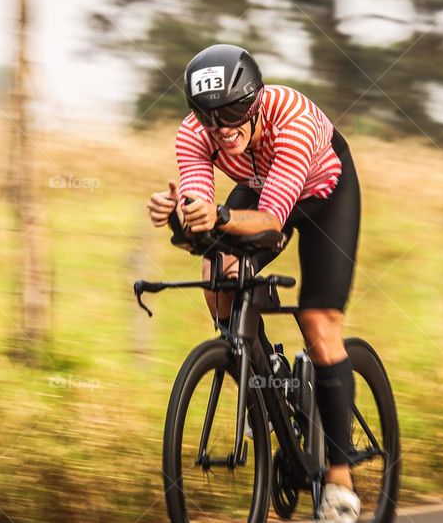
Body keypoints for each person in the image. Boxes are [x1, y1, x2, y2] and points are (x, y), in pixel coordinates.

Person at [147, 44, 362, 522]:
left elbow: (269, 225)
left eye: (233, 113)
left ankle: (341, 476)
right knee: (216, 274)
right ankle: (256, 368)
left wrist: (221, 215)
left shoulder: (293, 120)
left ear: (256, 100)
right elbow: (202, 229)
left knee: (318, 321)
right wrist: (178, 222)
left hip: (325, 194)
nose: (222, 130)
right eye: (209, 118)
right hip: (264, 187)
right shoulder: (194, 135)